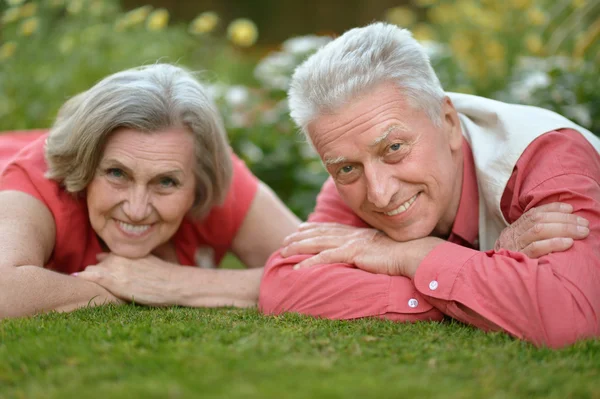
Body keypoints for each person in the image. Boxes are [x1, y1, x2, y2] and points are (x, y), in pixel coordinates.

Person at [258, 23, 600, 348]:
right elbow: (285, 285)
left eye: (394, 148)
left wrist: (409, 255)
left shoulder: (548, 158)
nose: (379, 193)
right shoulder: (353, 176)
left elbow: (570, 315)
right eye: (347, 167)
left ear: (449, 123)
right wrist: (488, 277)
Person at [0, 63, 299, 319]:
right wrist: (123, 288)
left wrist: (175, 283)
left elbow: (323, 275)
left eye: (166, 182)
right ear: (85, 166)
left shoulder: (212, 175)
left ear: (198, 184)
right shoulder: (39, 178)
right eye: (117, 174)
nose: (137, 209)